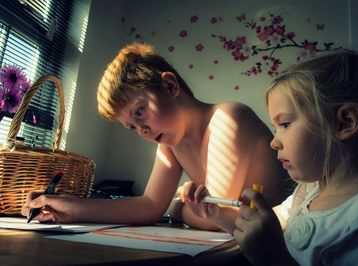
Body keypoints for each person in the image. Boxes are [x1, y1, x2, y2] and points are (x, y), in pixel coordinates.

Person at [21, 42, 287, 233]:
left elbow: (212, 218)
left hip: (283, 243)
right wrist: (73, 207)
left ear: (170, 87)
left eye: (140, 112)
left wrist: (175, 208)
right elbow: (149, 206)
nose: (142, 131)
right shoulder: (169, 143)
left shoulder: (228, 118)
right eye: (132, 127)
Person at [231, 50, 358, 265]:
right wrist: (214, 213)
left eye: (284, 125)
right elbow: (260, 229)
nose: (273, 142)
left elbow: (269, 247)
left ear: (344, 123)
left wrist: (274, 259)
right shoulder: (308, 191)